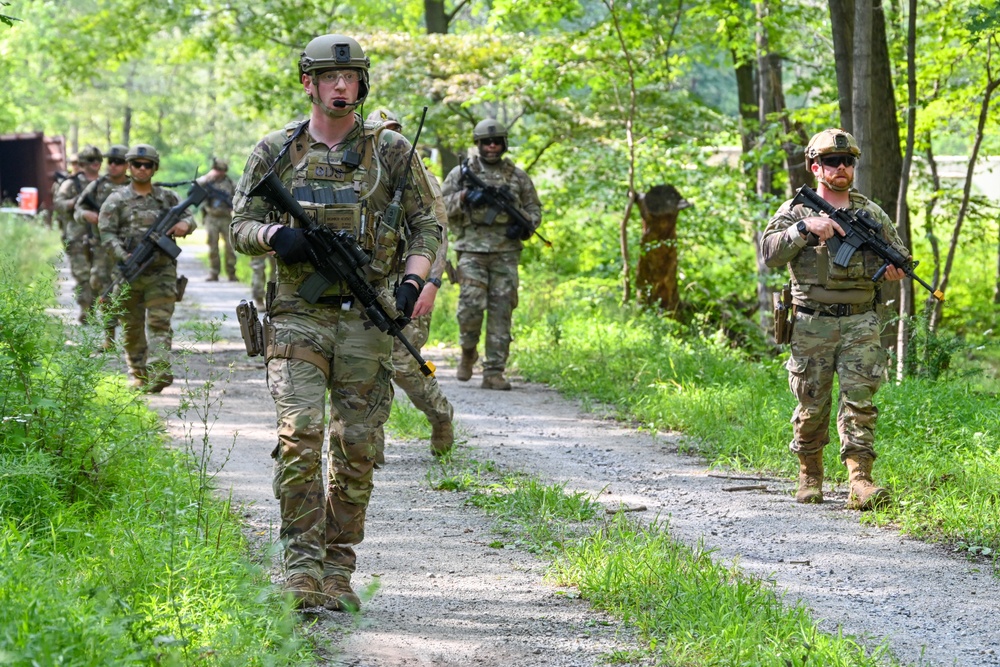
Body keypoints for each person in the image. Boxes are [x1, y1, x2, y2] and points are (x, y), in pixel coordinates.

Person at [230, 34, 441, 611]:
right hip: (298, 315)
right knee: (299, 437)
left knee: (357, 447)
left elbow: (429, 226)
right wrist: (279, 236)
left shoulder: (392, 151)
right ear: (309, 83)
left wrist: (414, 279)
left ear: (362, 83)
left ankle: (338, 566)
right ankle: (301, 567)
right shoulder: (275, 150)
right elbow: (240, 225)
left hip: (367, 319)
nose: (342, 87)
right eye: (330, 78)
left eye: (351, 78)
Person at [760, 128, 908, 511]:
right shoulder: (796, 210)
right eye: (831, 161)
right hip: (813, 322)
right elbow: (770, 252)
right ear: (815, 167)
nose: (841, 168)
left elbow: (898, 255)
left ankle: (860, 481)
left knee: (860, 401)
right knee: (811, 403)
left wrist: (895, 270)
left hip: (862, 321)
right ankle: (810, 475)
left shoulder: (870, 213)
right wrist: (804, 229)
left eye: (847, 161)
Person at [366, 107, 454, 457]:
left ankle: (441, 415)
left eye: (393, 130)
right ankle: (370, 444)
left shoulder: (420, 175)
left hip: (411, 280)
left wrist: (432, 281)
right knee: (369, 363)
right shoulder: (359, 173)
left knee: (405, 363)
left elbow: (437, 232)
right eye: (381, 130)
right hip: (374, 281)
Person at [440, 119, 542, 390]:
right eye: (487, 142)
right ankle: (468, 351)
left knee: (502, 309)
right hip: (471, 250)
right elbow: (437, 207)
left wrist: (524, 227)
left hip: (505, 252)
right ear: (479, 144)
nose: (492, 146)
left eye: (497, 141)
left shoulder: (518, 177)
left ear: (504, 144)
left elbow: (534, 209)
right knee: (471, 305)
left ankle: (494, 371)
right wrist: (463, 199)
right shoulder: (461, 174)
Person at [98, 144, 196, 392]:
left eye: (148, 165)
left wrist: (185, 225)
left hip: (161, 273)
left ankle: (159, 369)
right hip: (127, 272)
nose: (142, 169)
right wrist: (124, 255)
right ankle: (140, 375)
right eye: (137, 164)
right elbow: (106, 233)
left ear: (154, 168)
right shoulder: (116, 200)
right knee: (131, 328)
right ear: (129, 167)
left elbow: (188, 216)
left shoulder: (167, 198)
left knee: (159, 323)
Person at [76, 144, 130, 347]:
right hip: (102, 248)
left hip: (128, 248)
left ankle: (131, 338)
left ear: (127, 165)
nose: (113, 166)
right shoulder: (97, 186)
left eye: (119, 162)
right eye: (111, 162)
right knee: (102, 288)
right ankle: (109, 338)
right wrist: (86, 214)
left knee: (127, 291)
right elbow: (78, 209)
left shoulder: (134, 187)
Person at [54, 145, 102, 322]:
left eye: (98, 160)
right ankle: (86, 310)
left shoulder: (105, 183)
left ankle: (100, 308)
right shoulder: (71, 183)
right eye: (91, 160)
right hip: (76, 237)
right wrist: (76, 202)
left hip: (100, 237)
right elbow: (58, 204)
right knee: (83, 276)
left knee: (99, 276)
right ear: (83, 163)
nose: (95, 163)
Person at [196, 157, 237, 282]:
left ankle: (231, 273)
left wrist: (233, 206)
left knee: (230, 247)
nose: (220, 172)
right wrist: (208, 176)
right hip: (211, 217)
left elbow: (238, 197)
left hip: (226, 218)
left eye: (222, 170)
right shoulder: (208, 181)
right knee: (213, 246)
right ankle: (214, 273)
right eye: (218, 169)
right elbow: (196, 184)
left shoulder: (230, 183)